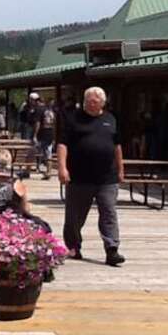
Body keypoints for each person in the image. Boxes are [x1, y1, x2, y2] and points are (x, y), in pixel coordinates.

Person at [57, 86, 125, 266]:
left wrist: (120, 169)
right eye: (88, 101)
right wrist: (62, 168)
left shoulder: (111, 119)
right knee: (74, 216)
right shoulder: (73, 119)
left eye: (95, 102)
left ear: (102, 102)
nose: (91, 104)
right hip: (79, 177)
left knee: (109, 213)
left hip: (107, 178)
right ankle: (73, 246)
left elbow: (117, 146)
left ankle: (112, 249)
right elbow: (62, 145)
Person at [34, 99, 56, 179]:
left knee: (42, 152)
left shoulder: (42, 111)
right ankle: (48, 171)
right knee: (48, 153)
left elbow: (38, 123)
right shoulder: (52, 112)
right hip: (50, 133)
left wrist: (35, 135)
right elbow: (55, 125)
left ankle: (46, 171)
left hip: (44, 133)